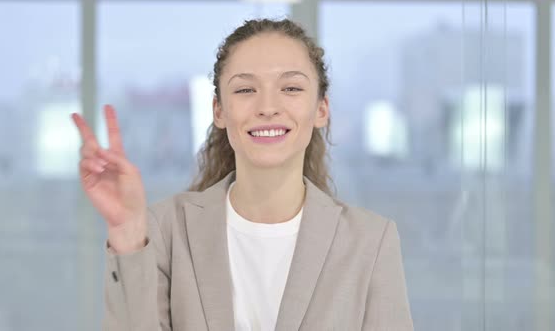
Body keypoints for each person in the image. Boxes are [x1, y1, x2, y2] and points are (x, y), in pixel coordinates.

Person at [72, 18, 413, 331]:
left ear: (321, 109)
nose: (267, 106)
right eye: (245, 90)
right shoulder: (166, 230)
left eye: (291, 88)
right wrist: (127, 231)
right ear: (219, 110)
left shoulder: (370, 241)